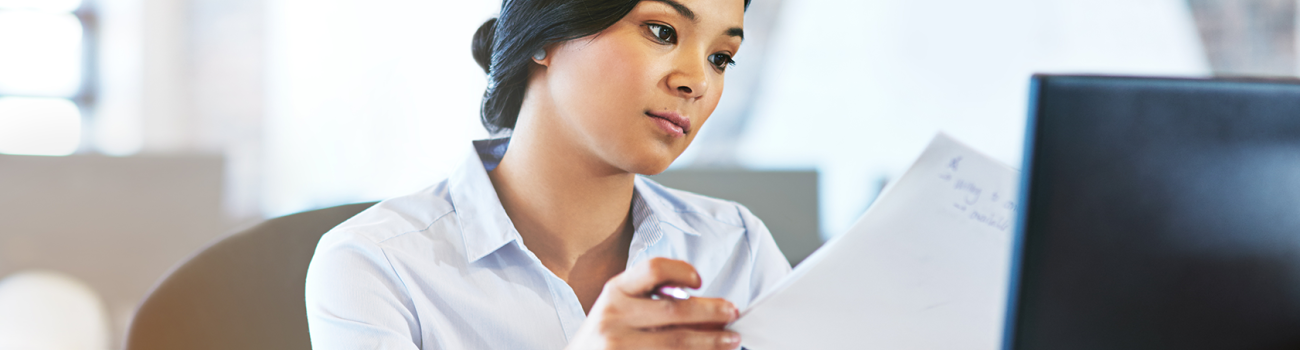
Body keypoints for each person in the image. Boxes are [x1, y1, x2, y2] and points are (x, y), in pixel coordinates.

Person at [304, 0, 791, 348]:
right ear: (545, 30)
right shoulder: (377, 265)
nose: (698, 81)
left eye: (720, 58)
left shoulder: (738, 249)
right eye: (662, 31)